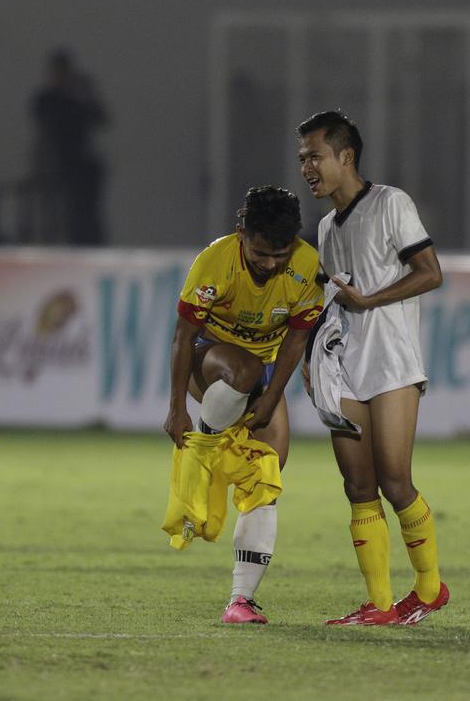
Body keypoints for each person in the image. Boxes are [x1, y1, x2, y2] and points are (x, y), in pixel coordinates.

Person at [296, 110, 447, 626]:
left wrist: (371, 301)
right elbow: (331, 301)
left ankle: (429, 588)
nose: (307, 168)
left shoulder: (390, 203)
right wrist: (311, 355)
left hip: (393, 364)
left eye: (314, 156)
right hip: (345, 368)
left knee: (395, 480)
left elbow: (430, 273)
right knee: (357, 485)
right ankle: (380, 604)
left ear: (346, 156)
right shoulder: (325, 226)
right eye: (302, 159)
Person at [164, 185, 322, 624]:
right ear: (241, 235)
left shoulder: (307, 266)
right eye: (260, 254)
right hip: (208, 358)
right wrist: (177, 407)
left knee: (266, 479)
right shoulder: (215, 261)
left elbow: (296, 339)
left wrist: (272, 400)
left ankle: (240, 601)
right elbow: (181, 336)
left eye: (280, 255)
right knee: (244, 369)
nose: (271, 264)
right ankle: (207, 446)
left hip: (265, 373)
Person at [27, 48, 108, 245]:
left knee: (81, 215)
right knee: (53, 216)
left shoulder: (77, 98)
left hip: (78, 166)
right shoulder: (47, 99)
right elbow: (43, 119)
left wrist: (82, 94)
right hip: (54, 164)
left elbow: (100, 117)